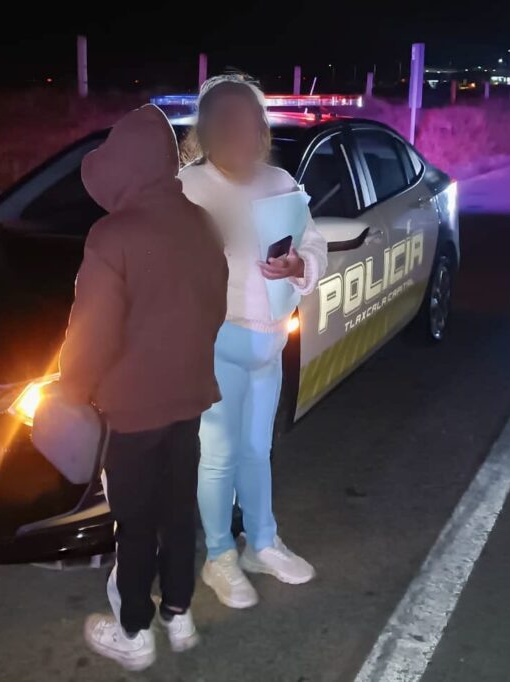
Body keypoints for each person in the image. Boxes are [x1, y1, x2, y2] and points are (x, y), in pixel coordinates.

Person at [57, 103, 228, 671]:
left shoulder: (112, 235)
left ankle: (134, 632)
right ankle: (178, 613)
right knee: (178, 512)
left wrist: (71, 391)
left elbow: (92, 334)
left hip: (131, 410)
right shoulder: (203, 222)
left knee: (133, 525)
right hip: (189, 400)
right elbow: (213, 306)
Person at [179, 75, 329, 609]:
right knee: (218, 455)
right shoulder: (186, 188)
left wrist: (299, 264)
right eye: (224, 120)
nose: (237, 131)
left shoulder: (279, 181)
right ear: (205, 129)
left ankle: (262, 542)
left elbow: (312, 241)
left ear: (260, 129)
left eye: (247, 120)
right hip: (214, 342)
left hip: (270, 340)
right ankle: (219, 556)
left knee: (257, 449)